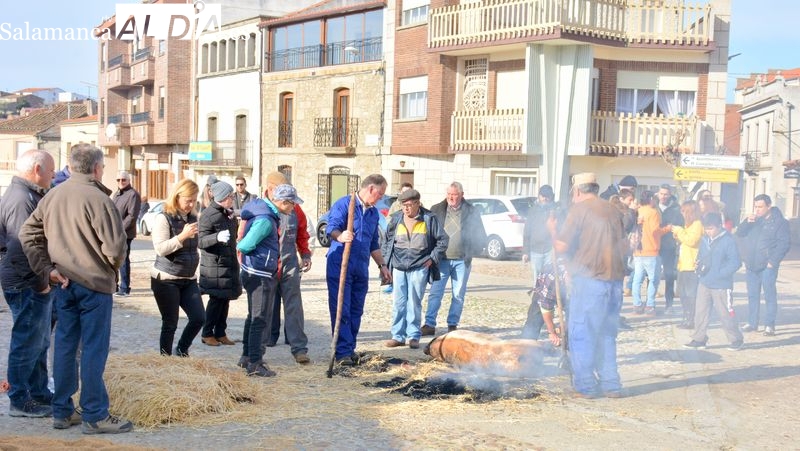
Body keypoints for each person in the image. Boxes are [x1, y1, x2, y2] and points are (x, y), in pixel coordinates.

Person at [19, 143, 133, 433]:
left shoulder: (53, 195)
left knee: (66, 346)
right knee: (93, 349)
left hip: (64, 282)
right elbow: (116, 249)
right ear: (96, 168)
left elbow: (27, 233)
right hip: (93, 285)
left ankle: (62, 411)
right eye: (103, 167)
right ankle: (95, 414)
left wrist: (48, 269)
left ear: (71, 167)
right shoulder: (99, 199)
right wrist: (110, 268)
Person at [551, 172, 628, 398]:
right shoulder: (613, 210)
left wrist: (552, 230)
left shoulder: (579, 210)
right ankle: (611, 385)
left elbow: (562, 246)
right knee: (606, 334)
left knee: (582, 333)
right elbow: (624, 246)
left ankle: (585, 386)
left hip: (590, 281)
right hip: (614, 282)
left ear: (577, 191)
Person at [0, 149, 55, 418]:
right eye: (51, 170)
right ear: (37, 170)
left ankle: (39, 392)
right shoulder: (22, 199)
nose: (53, 175)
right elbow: (21, 247)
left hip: (28, 280)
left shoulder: (26, 194)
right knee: (27, 342)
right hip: (26, 282)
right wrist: (39, 283)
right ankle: (20, 399)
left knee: (39, 341)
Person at [325, 174, 392, 366]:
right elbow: (331, 228)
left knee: (356, 309)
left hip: (361, 267)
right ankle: (342, 352)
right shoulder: (345, 204)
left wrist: (382, 265)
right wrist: (340, 236)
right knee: (342, 309)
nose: (381, 198)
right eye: (380, 193)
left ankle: (349, 348)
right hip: (341, 264)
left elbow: (373, 243)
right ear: (371, 188)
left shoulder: (373, 214)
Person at [237, 184, 299, 376]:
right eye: (293, 204)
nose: (294, 208)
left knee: (253, 316)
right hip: (259, 274)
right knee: (259, 319)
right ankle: (255, 364)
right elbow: (244, 245)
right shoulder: (265, 220)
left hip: (255, 272)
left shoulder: (266, 214)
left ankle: (246, 357)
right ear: (284, 202)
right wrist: (263, 258)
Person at [382, 189, 448, 349]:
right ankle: (398, 336)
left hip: (419, 266)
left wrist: (432, 258)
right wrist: (386, 263)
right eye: (403, 205)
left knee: (414, 303)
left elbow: (443, 240)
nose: (406, 208)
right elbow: (387, 241)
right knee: (398, 303)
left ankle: (413, 336)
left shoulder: (429, 218)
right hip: (398, 267)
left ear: (418, 203)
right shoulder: (396, 218)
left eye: (409, 205)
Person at [422, 181, 487, 336]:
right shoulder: (436, 209)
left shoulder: (471, 211)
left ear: (462, 195)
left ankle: (452, 324)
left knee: (458, 295)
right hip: (441, 260)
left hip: (461, 260)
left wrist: (472, 251)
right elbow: (428, 233)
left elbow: (480, 233)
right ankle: (429, 324)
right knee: (435, 293)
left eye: (455, 195)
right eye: (449, 194)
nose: (451, 197)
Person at [150, 179, 204, 357]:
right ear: (177, 197)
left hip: (188, 278)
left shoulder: (193, 218)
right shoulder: (163, 217)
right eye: (188, 200)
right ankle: (165, 360)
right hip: (166, 279)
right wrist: (182, 236)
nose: (191, 205)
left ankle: (181, 349)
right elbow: (160, 249)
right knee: (170, 323)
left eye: (194, 200)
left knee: (199, 318)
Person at [263, 172, 313, 365]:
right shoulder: (260, 208)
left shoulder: (295, 208)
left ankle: (299, 348)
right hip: (267, 265)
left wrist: (305, 253)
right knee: (264, 308)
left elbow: (302, 232)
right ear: (270, 188)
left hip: (290, 263)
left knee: (294, 306)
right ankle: (257, 351)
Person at [684, 212, 744, 350]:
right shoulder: (705, 239)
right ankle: (699, 339)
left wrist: (720, 274)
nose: (708, 231)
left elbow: (735, 262)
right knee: (700, 312)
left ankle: (736, 339)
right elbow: (701, 256)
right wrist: (698, 264)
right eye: (706, 229)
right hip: (704, 281)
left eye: (711, 228)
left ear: (719, 226)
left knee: (725, 313)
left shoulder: (728, 241)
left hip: (721, 285)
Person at [736, 194, 791, 336]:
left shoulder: (780, 222)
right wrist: (746, 222)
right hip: (751, 264)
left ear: (769, 206)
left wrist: (773, 261)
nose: (757, 210)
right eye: (755, 206)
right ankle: (752, 323)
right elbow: (740, 233)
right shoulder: (754, 220)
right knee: (752, 295)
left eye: (760, 207)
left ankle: (769, 325)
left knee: (769, 295)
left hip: (767, 265)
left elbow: (784, 244)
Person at [198, 181, 241, 347]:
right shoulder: (208, 215)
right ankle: (207, 333)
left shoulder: (227, 213)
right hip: (214, 266)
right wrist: (216, 237)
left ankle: (221, 333)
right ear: (222, 197)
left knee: (225, 300)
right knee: (216, 301)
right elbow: (201, 241)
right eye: (230, 196)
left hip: (227, 262)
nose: (232, 199)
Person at [631, 190, 669, 316]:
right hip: (651, 251)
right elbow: (655, 231)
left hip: (638, 250)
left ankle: (637, 305)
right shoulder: (653, 212)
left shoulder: (638, 210)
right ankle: (650, 306)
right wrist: (667, 229)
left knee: (637, 280)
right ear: (651, 199)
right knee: (653, 280)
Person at [670, 200, 703, 329]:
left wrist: (679, 231)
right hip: (683, 264)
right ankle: (686, 317)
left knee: (690, 294)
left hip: (691, 265)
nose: (682, 214)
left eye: (684, 211)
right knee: (683, 294)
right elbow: (685, 240)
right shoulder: (688, 225)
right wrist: (678, 237)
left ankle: (691, 320)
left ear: (691, 212)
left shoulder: (697, 224)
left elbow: (692, 241)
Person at [522, 184, 558, 289]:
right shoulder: (533, 211)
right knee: (537, 279)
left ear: (552, 196)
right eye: (543, 196)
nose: (545, 198)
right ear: (539, 196)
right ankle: (537, 296)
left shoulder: (556, 210)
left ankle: (548, 297)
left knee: (550, 278)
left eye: (547, 196)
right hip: (535, 250)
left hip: (550, 250)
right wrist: (525, 252)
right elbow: (527, 231)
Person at [112, 170, 142, 298]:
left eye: (123, 179)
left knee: (123, 260)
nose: (121, 182)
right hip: (114, 233)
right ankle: (114, 285)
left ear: (129, 181)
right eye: (118, 180)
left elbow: (132, 216)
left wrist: (120, 230)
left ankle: (125, 288)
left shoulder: (133, 194)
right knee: (113, 259)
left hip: (125, 233)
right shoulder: (117, 194)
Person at [657, 184, 684, 314]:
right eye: (661, 194)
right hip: (654, 245)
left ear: (670, 195)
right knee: (652, 276)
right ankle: (650, 304)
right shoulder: (653, 206)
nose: (663, 196)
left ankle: (669, 304)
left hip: (669, 246)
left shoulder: (676, 208)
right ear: (658, 193)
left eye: (666, 194)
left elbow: (680, 225)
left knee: (669, 275)